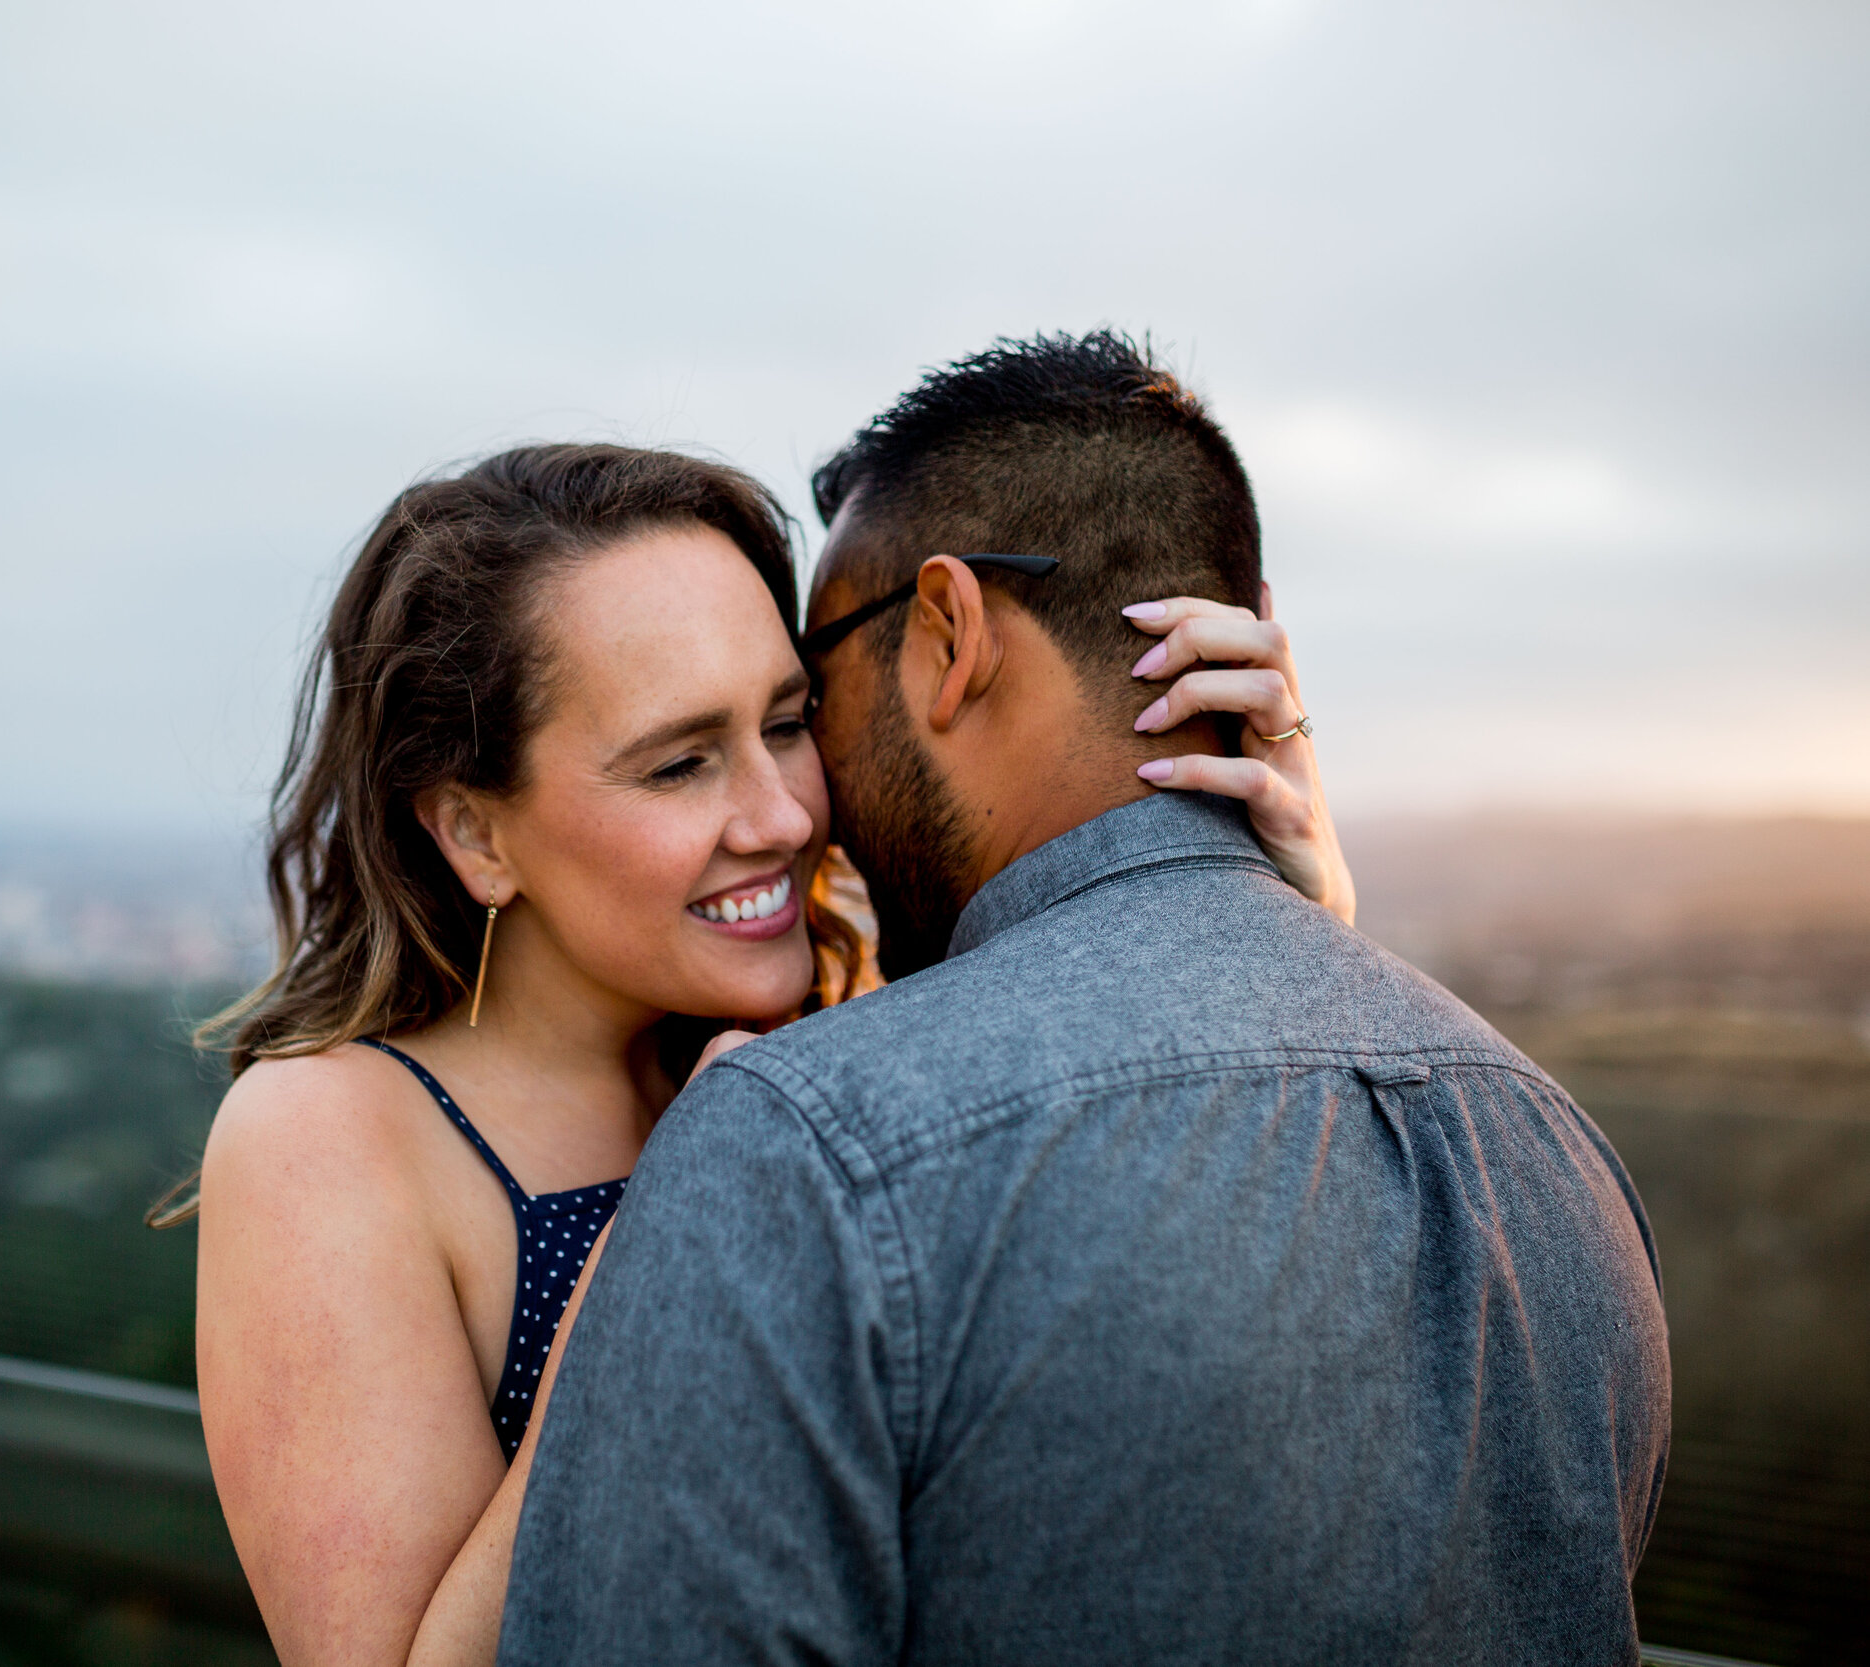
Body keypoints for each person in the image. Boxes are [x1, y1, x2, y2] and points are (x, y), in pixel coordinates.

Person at [497, 334, 1672, 1665]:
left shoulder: (805, 1146)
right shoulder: (1550, 1143)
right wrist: (1290, 937)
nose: (803, 791)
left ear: (950, 632)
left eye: (811, 694)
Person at [175, 428, 1354, 1665]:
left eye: (788, 721)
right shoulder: (331, 1136)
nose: (784, 814)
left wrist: (1282, 930)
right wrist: (670, 1257)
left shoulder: (835, 1034)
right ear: (475, 832)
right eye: (680, 762)